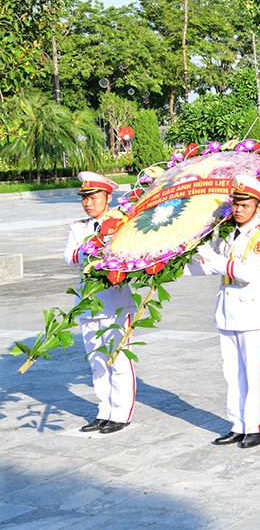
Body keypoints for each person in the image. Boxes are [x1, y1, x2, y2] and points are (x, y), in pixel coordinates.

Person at [195, 175, 260, 449]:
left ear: (257, 207)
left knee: (253, 373)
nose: (238, 209)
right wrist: (173, 265)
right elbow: (210, 267)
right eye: (236, 204)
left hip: (251, 312)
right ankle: (238, 424)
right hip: (227, 309)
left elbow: (246, 273)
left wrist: (212, 256)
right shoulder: (229, 233)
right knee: (231, 372)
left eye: (245, 205)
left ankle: (256, 426)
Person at [65, 172, 137, 434]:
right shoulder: (79, 228)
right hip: (88, 303)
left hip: (116, 301)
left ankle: (121, 413)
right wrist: (90, 247)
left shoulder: (122, 224)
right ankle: (104, 410)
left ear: (108, 197)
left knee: (118, 360)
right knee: (96, 361)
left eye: (94, 197)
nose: (88, 203)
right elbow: (69, 257)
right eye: (85, 198)